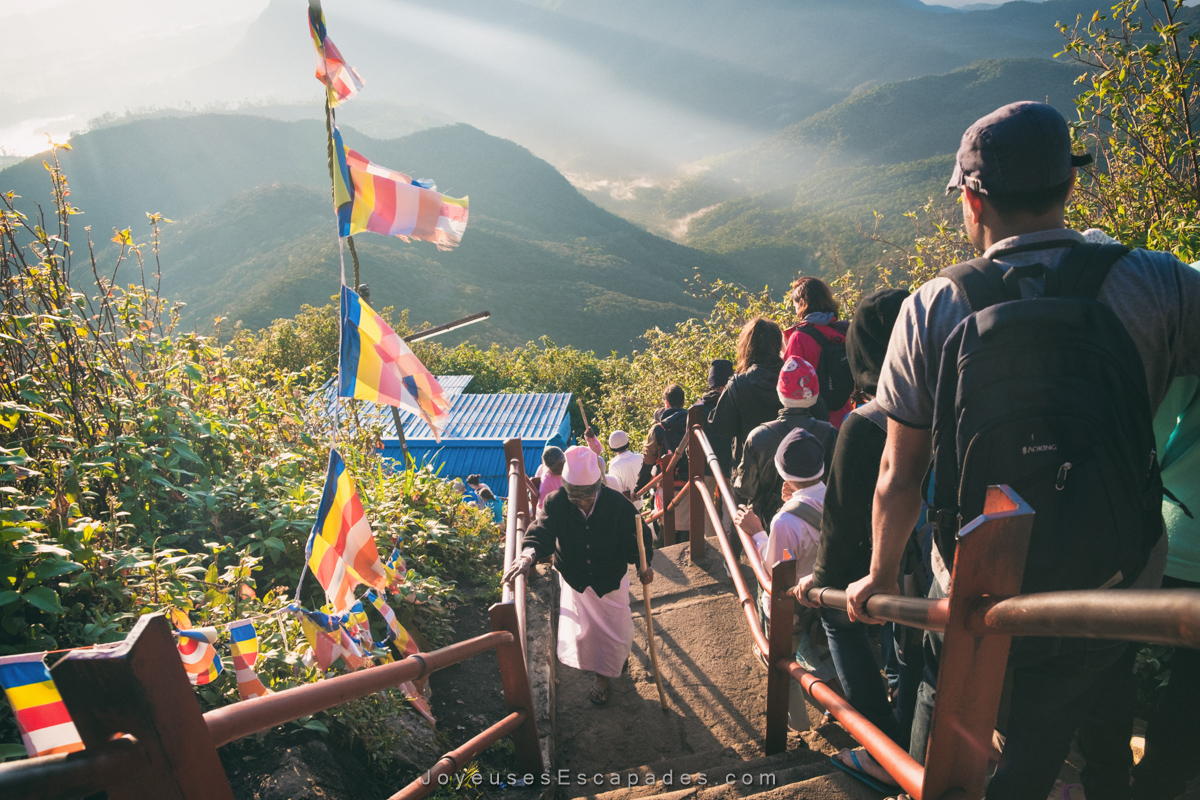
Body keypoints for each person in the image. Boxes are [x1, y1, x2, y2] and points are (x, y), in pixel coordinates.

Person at [845, 101, 1200, 800]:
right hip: (1114, 576)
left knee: (948, 714)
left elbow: (899, 475)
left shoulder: (932, 307)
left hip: (973, 585)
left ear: (973, 201)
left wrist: (879, 578)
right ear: (1071, 185)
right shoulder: (1159, 283)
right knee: (1061, 714)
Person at [793, 288, 915, 789]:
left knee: (839, 616)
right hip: (943, 565)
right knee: (911, 648)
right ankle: (908, 732)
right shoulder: (957, 398)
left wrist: (818, 583)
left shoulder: (867, 423)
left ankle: (884, 749)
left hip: (897, 569)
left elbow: (840, 530)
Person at [503, 446, 654, 705]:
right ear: (566, 488)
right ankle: (602, 676)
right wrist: (528, 555)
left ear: (598, 487)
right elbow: (542, 532)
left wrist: (644, 564)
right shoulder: (556, 502)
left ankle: (615, 659)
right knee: (589, 633)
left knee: (617, 629)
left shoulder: (617, 504)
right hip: (576, 578)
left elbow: (639, 538)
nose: (582, 502)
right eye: (575, 497)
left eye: (587, 496)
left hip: (610, 577)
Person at [733, 427, 831, 729]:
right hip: (826, 594)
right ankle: (836, 706)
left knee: (781, 661)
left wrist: (757, 531)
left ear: (781, 471)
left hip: (790, 604)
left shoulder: (785, 521)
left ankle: (798, 725)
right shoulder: (834, 496)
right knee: (823, 652)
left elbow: (772, 567)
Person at [709, 318, 785, 558]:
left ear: (747, 346)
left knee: (741, 514)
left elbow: (721, 427)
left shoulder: (738, 384)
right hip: (787, 462)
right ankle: (781, 559)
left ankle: (734, 561)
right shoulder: (792, 376)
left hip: (748, 464)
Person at [735, 356, 837, 526]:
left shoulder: (757, 436)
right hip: (819, 521)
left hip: (768, 523)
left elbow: (746, 489)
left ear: (780, 392)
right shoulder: (831, 433)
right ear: (814, 394)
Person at [783, 276, 854, 429]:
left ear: (801, 303)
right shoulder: (844, 331)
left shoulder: (799, 338)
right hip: (846, 416)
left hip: (815, 424)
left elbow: (789, 384)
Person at [636, 384, 691, 544]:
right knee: (688, 529)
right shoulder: (694, 425)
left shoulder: (658, 429)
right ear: (683, 402)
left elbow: (647, 462)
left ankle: (666, 552)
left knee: (666, 526)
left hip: (667, 486)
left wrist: (638, 489)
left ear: (666, 403)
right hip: (690, 485)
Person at [604, 430, 642, 511]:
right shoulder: (640, 458)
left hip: (625, 508)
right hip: (639, 505)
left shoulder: (614, 465)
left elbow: (616, 489)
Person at [532, 445, 565, 517]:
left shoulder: (569, 469)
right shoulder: (547, 481)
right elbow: (541, 508)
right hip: (555, 514)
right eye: (556, 469)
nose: (561, 469)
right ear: (549, 468)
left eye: (563, 465)